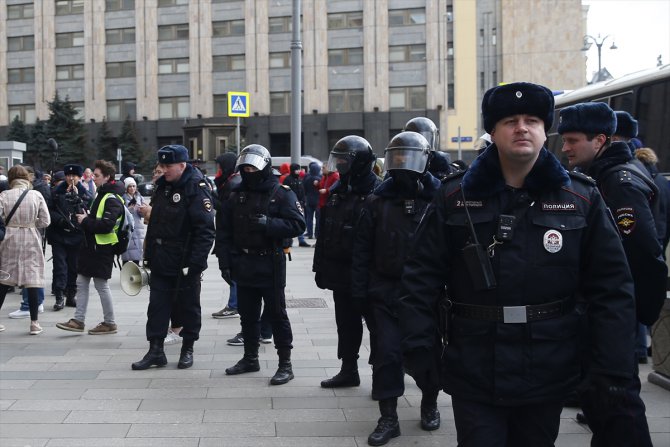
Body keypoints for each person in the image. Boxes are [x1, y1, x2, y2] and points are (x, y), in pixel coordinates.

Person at [398, 82, 638, 447]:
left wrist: (611, 366)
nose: (522, 128)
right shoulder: (454, 196)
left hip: (549, 364)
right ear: (493, 131)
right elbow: (419, 278)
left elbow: (612, 288)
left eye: (532, 120)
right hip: (474, 365)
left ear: (545, 130)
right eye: (510, 120)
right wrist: (418, 347)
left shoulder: (580, 198)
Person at [559, 102, 666, 446]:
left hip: (613, 319)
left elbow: (645, 256)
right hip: (602, 315)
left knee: (618, 410)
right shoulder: (602, 176)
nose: (565, 148)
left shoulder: (618, 182)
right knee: (604, 409)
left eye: (573, 140)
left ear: (600, 139)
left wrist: (637, 316)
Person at [351, 131, 442, 446]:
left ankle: (429, 401)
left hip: (426, 295)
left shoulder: (439, 198)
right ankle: (388, 417)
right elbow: (362, 250)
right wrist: (361, 292)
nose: (403, 163)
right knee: (387, 355)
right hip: (386, 292)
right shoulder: (378, 200)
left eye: (409, 156)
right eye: (397, 156)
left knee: (426, 354)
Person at [217, 144, 305, 385]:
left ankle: (285, 364)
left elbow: (298, 225)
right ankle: (250, 358)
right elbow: (223, 232)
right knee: (247, 315)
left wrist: (270, 224)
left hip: (270, 263)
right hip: (243, 263)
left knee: (277, 315)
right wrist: (224, 262)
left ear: (264, 167)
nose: (248, 172)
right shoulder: (235, 194)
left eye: (252, 167)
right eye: (244, 168)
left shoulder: (281, 193)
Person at [131, 145, 215, 370]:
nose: (163, 170)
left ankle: (187, 348)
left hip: (185, 260)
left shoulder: (195, 188)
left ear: (182, 165)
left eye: (168, 166)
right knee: (157, 305)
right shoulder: (162, 187)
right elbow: (155, 224)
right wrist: (148, 257)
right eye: (161, 165)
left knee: (188, 305)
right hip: (161, 257)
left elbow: (205, 230)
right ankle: (156, 350)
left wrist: (196, 264)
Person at [313, 135, 381, 388]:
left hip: (369, 273)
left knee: (377, 325)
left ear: (360, 162)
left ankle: (379, 373)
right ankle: (348, 369)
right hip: (340, 272)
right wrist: (320, 267)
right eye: (337, 159)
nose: (339, 164)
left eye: (344, 160)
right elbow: (324, 233)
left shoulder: (378, 191)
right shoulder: (337, 191)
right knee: (346, 324)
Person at [56, 160, 126, 335]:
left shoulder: (111, 198)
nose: (92, 178)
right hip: (91, 247)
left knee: (101, 285)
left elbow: (106, 225)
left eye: (96, 175)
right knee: (82, 282)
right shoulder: (101, 194)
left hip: (102, 248)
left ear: (107, 177)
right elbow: (97, 217)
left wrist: (85, 220)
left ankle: (109, 323)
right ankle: (78, 320)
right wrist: (86, 214)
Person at [0, 166, 51, 335]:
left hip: (10, 238)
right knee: (33, 279)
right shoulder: (36, 195)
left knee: (4, 279)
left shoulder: (4, 195)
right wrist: (31, 223)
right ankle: (34, 323)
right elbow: (45, 221)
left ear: (11, 179)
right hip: (31, 238)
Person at [46, 164, 92, 310]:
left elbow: (88, 208)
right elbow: (49, 210)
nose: (71, 178)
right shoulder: (55, 192)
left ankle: (71, 295)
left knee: (74, 267)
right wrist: (58, 219)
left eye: (74, 176)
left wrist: (78, 197)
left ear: (80, 177)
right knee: (60, 266)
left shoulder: (85, 192)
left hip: (76, 235)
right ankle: (59, 296)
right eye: (68, 175)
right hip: (59, 234)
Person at [212, 153, 242, 320]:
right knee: (231, 271)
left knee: (232, 271)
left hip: (231, 237)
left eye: (220, 167)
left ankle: (234, 305)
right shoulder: (230, 182)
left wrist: (212, 198)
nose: (218, 170)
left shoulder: (232, 184)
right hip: (228, 235)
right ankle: (235, 303)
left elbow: (226, 209)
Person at [283, 163, 310, 247]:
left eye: (299, 169)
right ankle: (288, 240)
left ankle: (301, 240)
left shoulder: (299, 180)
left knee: (301, 221)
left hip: (299, 205)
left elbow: (302, 192)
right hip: (290, 205)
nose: (298, 171)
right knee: (290, 221)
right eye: (296, 169)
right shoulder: (288, 180)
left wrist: (303, 201)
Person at [121, 177, 147, 265]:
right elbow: (121, 212)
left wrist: (143, 210)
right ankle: (126, 275)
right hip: (128, 227)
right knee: (126, 253)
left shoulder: (140, 197)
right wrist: (130, 208)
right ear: (126, 188)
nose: (132, 188)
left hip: (138, 228)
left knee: (137, 255)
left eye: (133, 186)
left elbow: (145, 211)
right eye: (130, 186)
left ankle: (136, 273)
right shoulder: (123, 198)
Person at [302, 161, 322, 239]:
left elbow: (304, 189)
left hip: (309, 199)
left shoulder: (307, 178)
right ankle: (317, 234)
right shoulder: (320, 178)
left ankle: (309, 233)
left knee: (309, 218)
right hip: (318, 200)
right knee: (318, 218)